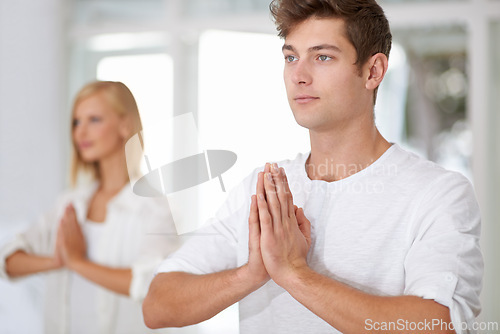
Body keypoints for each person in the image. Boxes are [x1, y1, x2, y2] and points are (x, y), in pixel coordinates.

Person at [142, 0, 483, 333]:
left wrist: (293, 273)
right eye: (291, 57)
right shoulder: (262, 190)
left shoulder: (437, 193)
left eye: (322, 57)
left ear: (372, 71)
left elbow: (436, 325)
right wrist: (251, 273)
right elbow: (158, 306)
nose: (299, 76)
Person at [0, 81, 180, 334]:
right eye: (76, 122)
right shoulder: (69, 203)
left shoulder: (153, 207)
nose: (80, 132)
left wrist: (77, 262)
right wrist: (58, 260)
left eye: (94, 119)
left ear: (124, 125)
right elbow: (7, 261)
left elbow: (153, 285)